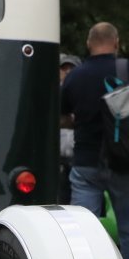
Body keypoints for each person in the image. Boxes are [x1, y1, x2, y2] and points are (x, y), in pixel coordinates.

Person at [59, 23, 129, 259]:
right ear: (116, 42)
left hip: (86, 163)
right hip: (125, 161)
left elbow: (62, 117)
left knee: (83, 232)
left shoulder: (75, 76)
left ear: (89, 44)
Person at [58, 54, 80, 206]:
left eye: (71, 69)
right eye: (64, 68)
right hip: (58, 155)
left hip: (76, 153)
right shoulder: (52, 91)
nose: (67, 72)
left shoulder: (82, 92)